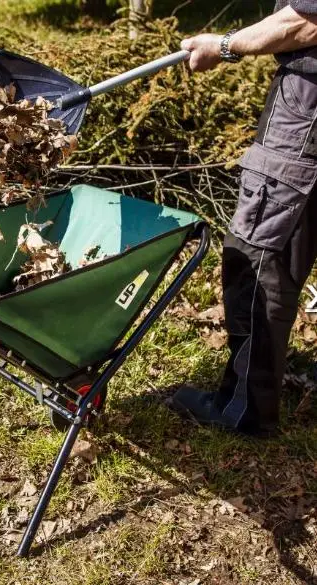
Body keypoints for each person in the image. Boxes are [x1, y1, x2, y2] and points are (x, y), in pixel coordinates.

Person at [169, 1, 317, 437]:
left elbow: (306, 22)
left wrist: (225, 45)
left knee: (256, 258)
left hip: (307, 115)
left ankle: (243, 408)